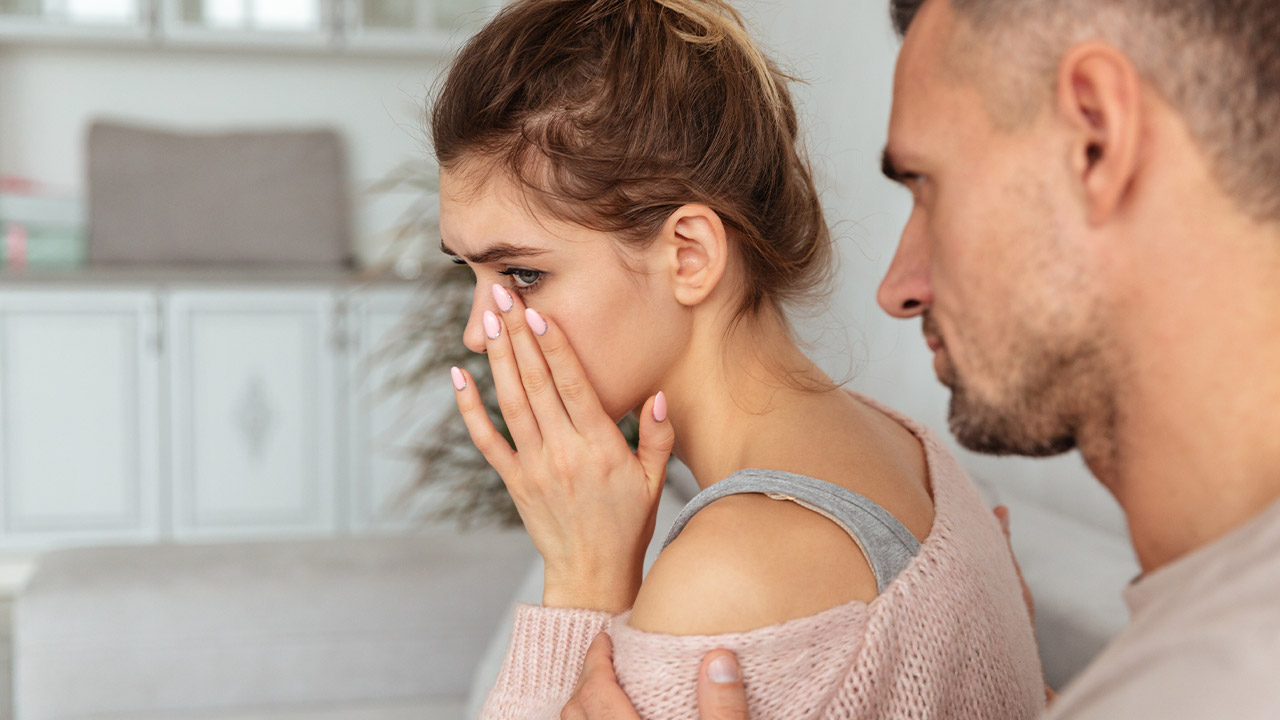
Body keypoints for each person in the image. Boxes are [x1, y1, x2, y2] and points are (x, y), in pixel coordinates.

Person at [562, 0, 1280, 717]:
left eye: (928, 186)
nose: (896, 289)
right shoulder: (1204, 644)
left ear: (1097, 137)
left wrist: (580, 590)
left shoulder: (1222, 675)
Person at [435, 0, 1045, 717]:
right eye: (469, 274)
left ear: (689, 255)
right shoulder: (911, 449)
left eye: (522, 274)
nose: (482, 331)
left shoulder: (728, 577)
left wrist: (583, 585)